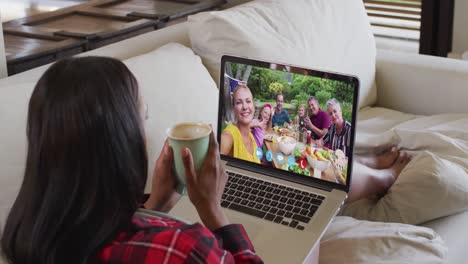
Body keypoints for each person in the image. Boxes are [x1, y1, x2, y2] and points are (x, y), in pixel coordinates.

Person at [0, 57, 263, 264]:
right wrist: (212, 210)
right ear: (122, 140)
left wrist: (154, 206)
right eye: (143, 118)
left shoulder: (24, 236)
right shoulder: (185, 249)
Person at [318, 98, 411, 203]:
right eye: (330, 113)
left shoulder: (349, 129)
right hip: (337, 167)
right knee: (339, 166)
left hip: (343, 164)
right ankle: (386, 177)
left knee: (346, 163)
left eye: (335, 111)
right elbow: (321, 142)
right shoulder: (331, 129)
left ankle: (375, 163)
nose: (333, 115)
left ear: (340, 111)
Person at [221, 85, 261, 164]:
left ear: (253, 105)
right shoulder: (229, 135)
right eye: (239, 103)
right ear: (233, 108)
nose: (245, 107)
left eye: (248, 101)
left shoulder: (252, 138)